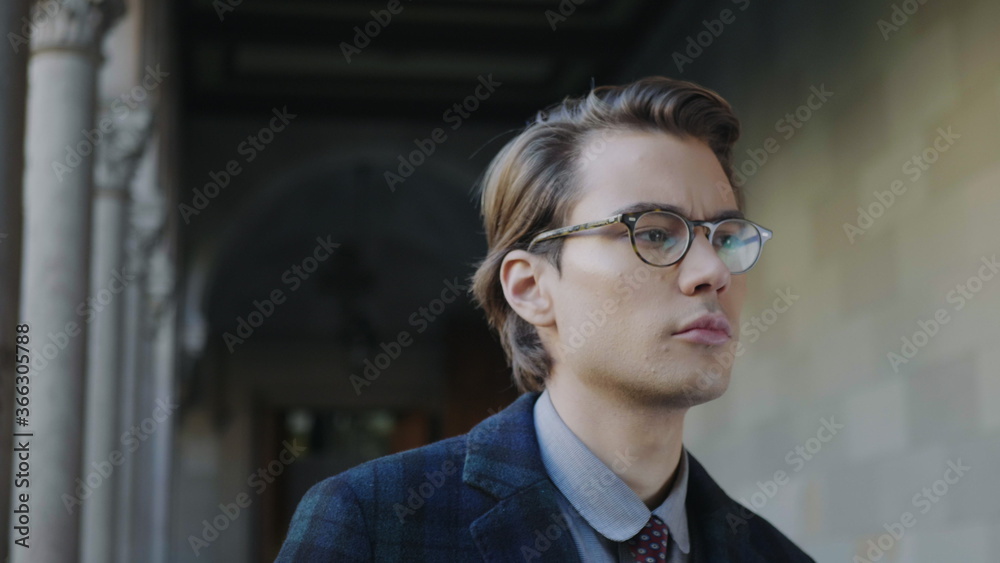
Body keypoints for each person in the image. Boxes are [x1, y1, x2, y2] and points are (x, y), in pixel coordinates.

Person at [275, 76, 815, 562]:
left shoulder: (775, 556)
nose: (712, 271)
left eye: (725, 238)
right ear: (530, 289)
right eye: (653, 233)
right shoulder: (373, 525)